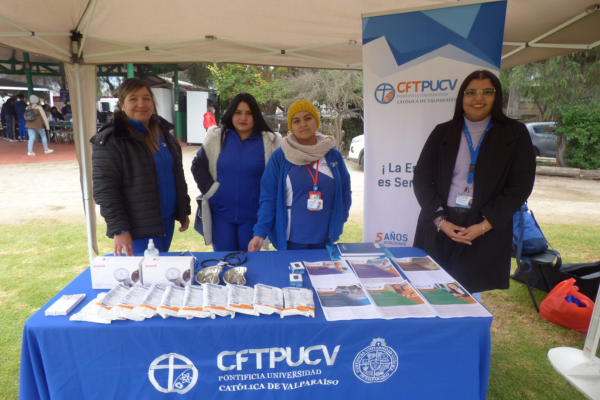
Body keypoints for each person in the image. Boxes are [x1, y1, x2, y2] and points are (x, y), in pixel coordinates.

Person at [413, 70, 536, 296]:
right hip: (441, 220)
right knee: (430, 289)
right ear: (462, 97)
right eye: (471, 92)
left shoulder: (514, 133)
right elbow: (421, 180)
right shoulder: (443, 132)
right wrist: (440, 220)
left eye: (487, 92)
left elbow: (520, 186)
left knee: (466, 295)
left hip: (484, 222)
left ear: (496, 96)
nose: (478, 98)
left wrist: (484, 226)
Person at [91, 78, 191, 256]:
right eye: (133, 99)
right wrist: (119, 229)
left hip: (165, 222)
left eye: (146, 98)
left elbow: (177, 175)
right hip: (137, 228)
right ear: (121, 104)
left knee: (160, 274)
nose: (141, 104)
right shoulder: (112, 140)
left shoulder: (163, 134)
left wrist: (184, 209)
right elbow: (105, 190)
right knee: (145, 279)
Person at [248, 99, 352, 251]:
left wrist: (341, 217)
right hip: (291, 241)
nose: (303, 124)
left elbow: (345, 191)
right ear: (291, 126)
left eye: (308, 118)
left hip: (324, 239)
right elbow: (268, 199)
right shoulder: (281, 156)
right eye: (296, 121)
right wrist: (260, 233)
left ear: (316, 121)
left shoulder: (332, 155)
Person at [191, 93, 281, 251]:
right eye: (238, 112)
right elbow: (198, 165)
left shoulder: (271, 142)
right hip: (221, 217)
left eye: (249, 113)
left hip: (254, 218)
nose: (243, 118)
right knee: (225, 263)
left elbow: (279, 176)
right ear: (231, 114)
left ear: (256, 115)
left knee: (251, 266)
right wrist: (212, 192)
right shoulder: (215, 137)